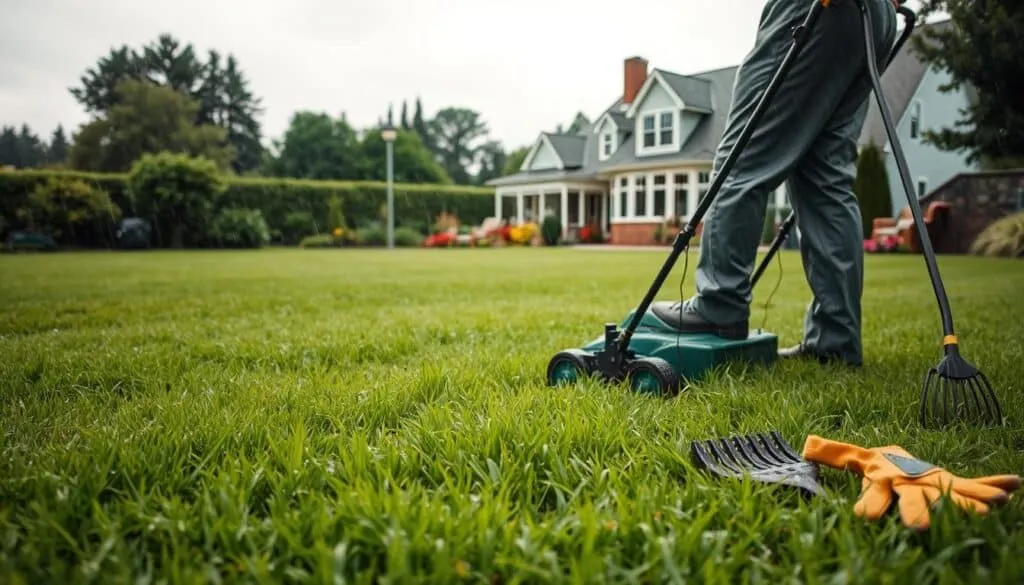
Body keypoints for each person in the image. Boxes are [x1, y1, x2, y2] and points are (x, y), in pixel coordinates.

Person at [649, 0, 899, 367]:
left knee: (742, 159)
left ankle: (720, 305)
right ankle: (835, 342)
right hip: (877, 17)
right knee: (826, 182)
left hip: (821, 10)